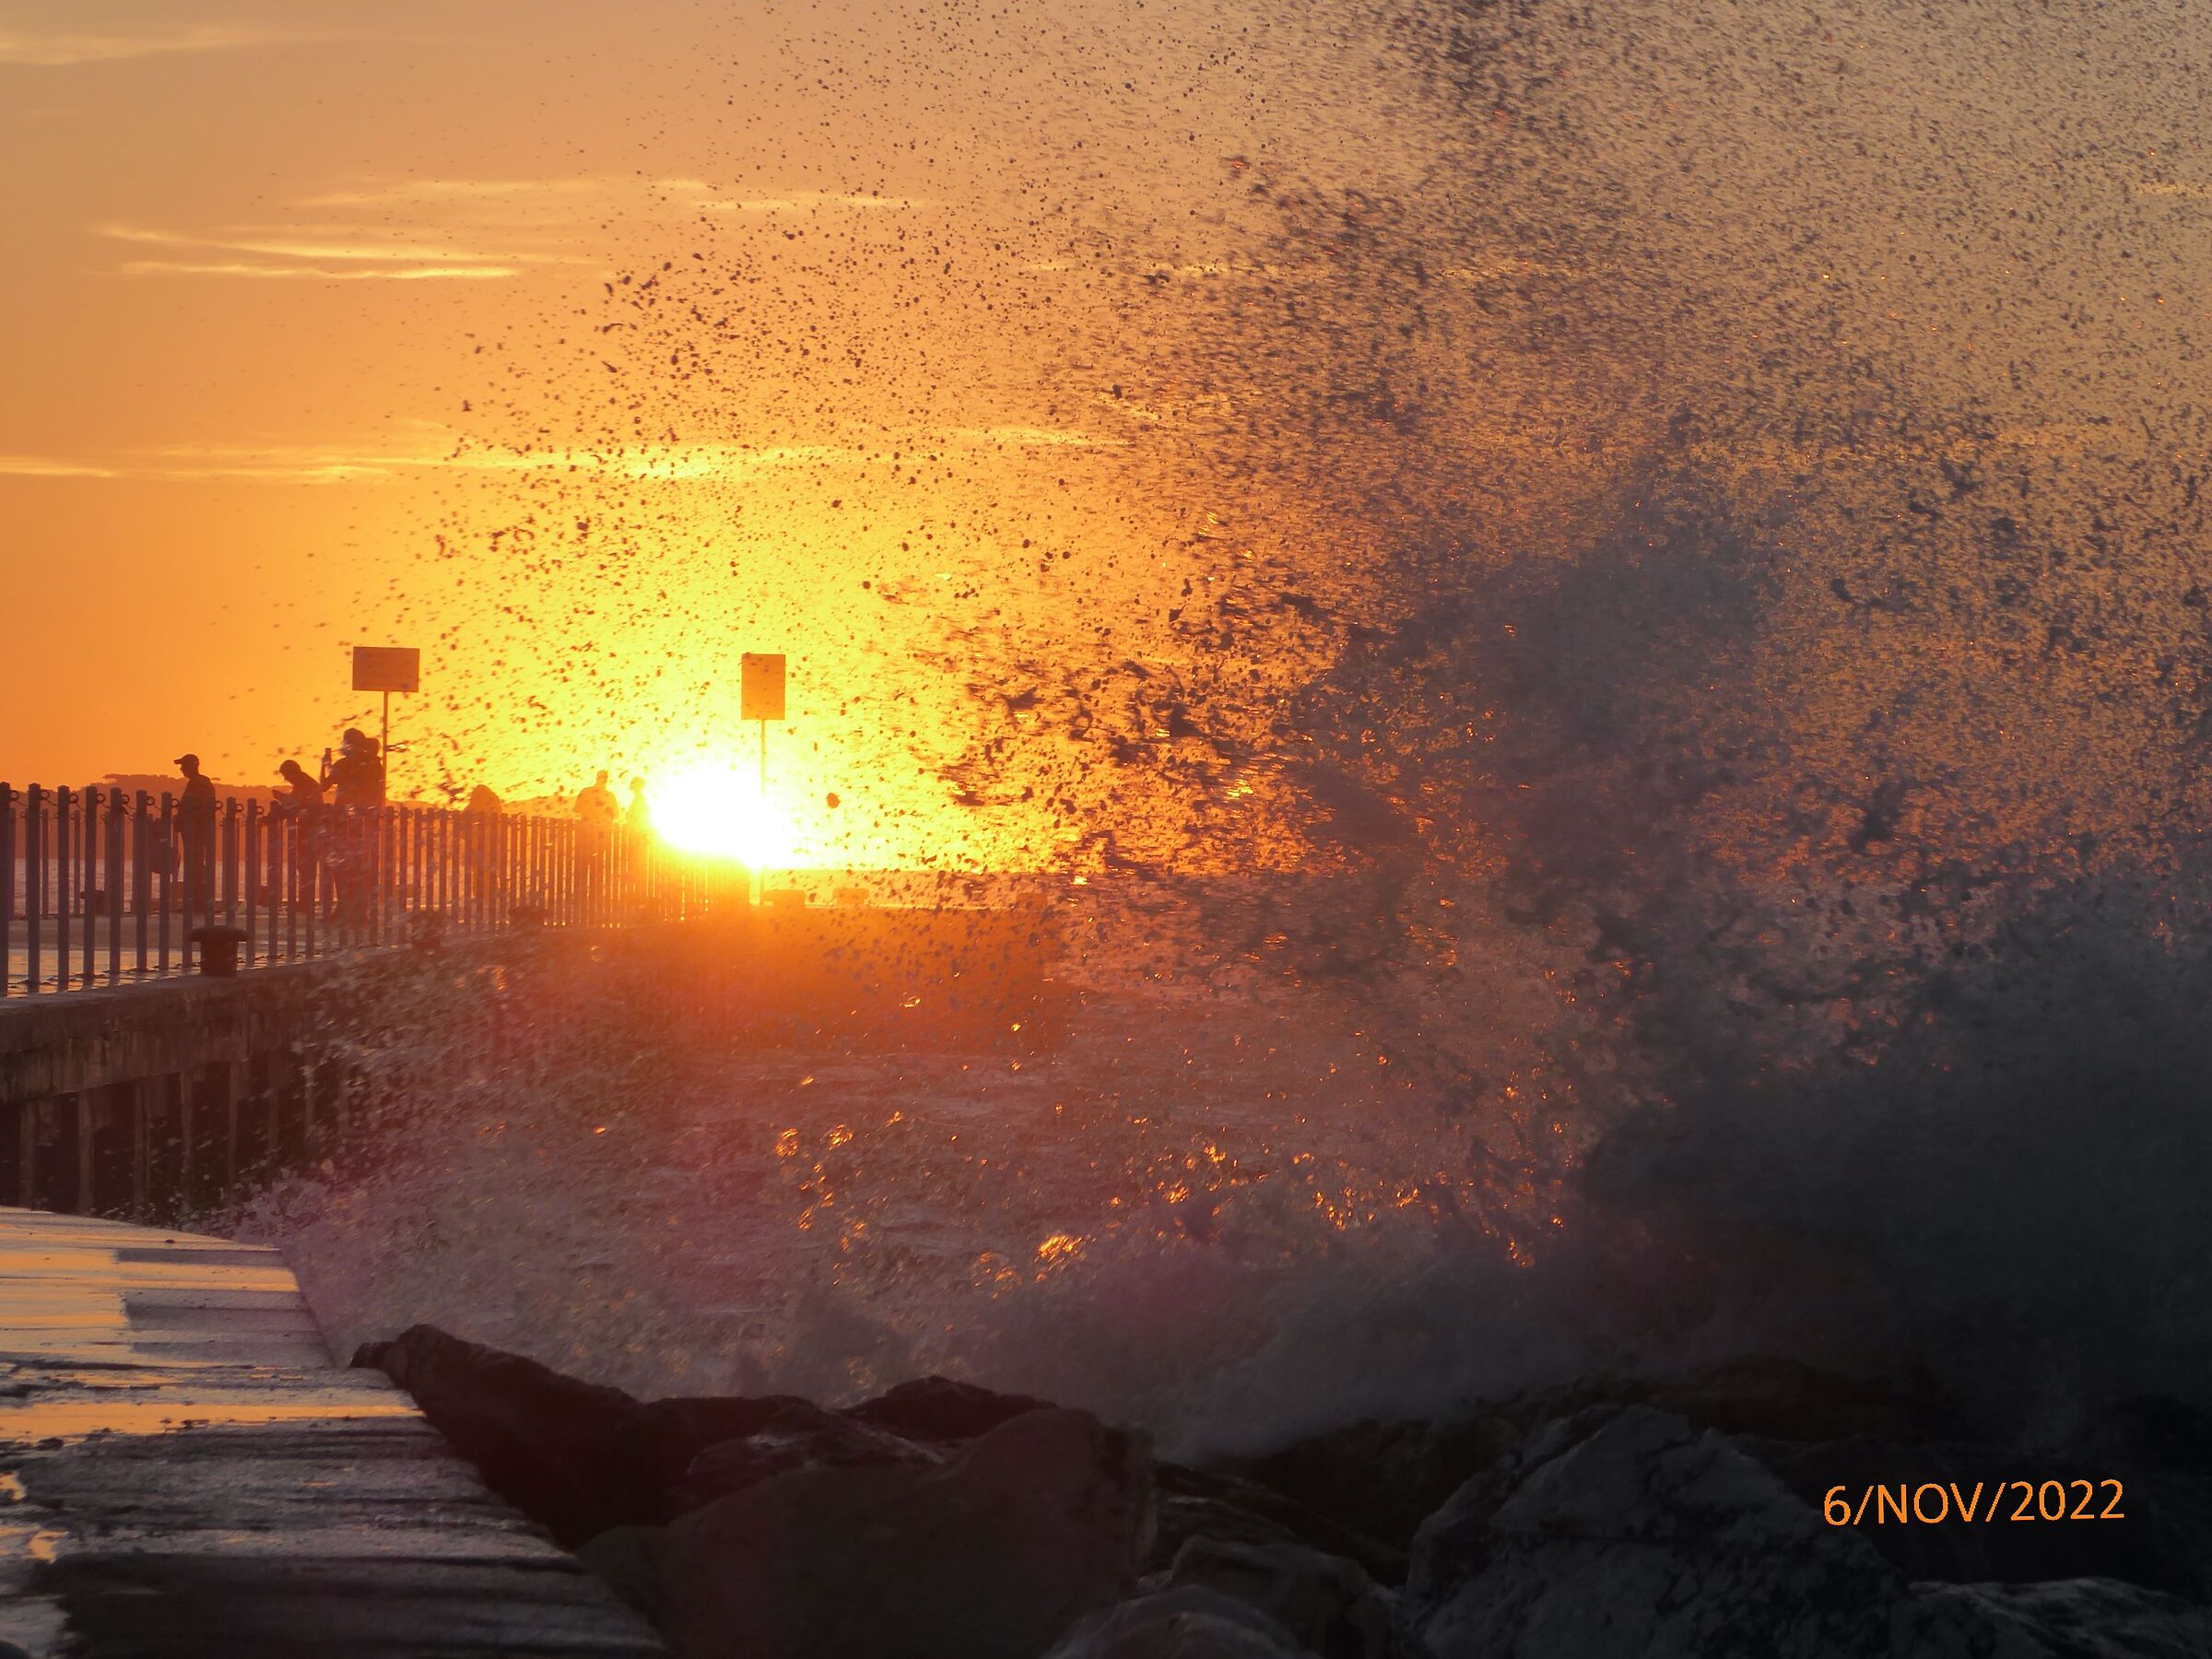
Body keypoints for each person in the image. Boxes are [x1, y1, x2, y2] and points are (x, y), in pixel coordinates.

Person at [174, 754, 218, 925]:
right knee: (197, 865)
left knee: (196, 866)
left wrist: (181, 821)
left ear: (193, 766)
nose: (181, 769)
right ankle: (198, 901)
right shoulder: (202, 783)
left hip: (195, 832)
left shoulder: (197, 783)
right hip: (196, 831)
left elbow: (190, 807)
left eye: (184, 766)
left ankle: (198, 902)